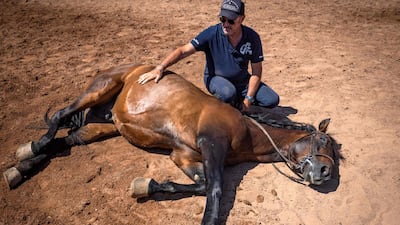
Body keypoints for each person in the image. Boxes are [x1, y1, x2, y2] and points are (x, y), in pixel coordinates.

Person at [138, 0, 279, 112]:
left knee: (272, 100)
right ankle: (229, 104)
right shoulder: (211, 33)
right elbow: (183, 50)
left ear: (242, 18)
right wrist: (160, 67)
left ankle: (239, 102)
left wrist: (248, 98)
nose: (225, 24)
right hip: (216, 79)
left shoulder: (252, 37)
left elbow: (256, 71)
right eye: (222, 19)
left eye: (231, 20)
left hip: (242, 81)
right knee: (228, 93)